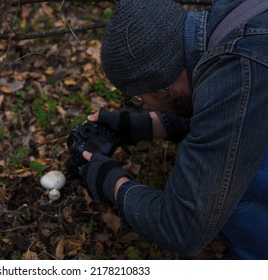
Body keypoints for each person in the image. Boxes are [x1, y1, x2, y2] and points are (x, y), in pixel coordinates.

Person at [79, 0, 268, 259]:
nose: (144, 107)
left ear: (163, 90)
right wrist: (142, 127)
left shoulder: (238, 69)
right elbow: (239, 113)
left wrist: (113, 184)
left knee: (228, 189)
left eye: (139, 100)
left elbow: (182, 227)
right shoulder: (235, 18)